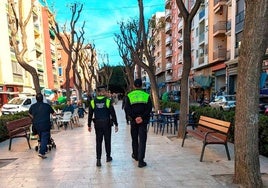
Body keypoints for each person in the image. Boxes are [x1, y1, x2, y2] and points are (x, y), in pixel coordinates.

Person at [87, 85, 119, 167]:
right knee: (107, 141)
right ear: (103, 92)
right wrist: (116, 124)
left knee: (98, 142)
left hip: (98, 124)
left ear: (97, 92)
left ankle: (98, 160)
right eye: (104, 91)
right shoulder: (108, 101)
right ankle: (108, 157)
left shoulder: (93, 102)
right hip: (107, 124)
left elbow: (90, 114)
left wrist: (89, 125)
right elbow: (113, 113)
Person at [125, 78, 152, 168]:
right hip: (143, 122)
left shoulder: (129, 95)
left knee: (134, 139)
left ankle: (135, 155)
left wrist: (134, 117)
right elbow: (149, 109)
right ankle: (141, 161)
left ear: (134, 86)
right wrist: (142, 117)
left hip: (133, 121)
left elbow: (127, 109)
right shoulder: (146, 95)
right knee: (142, 140)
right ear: (141, 85)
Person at [29, 93, 55, 159]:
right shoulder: (47, 106)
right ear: (42, 98)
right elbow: (54, 113)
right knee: (44, 137)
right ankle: (42, 152)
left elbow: (29, 113)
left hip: (36, 125)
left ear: (36, 99)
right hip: (45, 125)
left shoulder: (33, 106)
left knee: (41, 137)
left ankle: (45, 148)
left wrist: (33, 118)